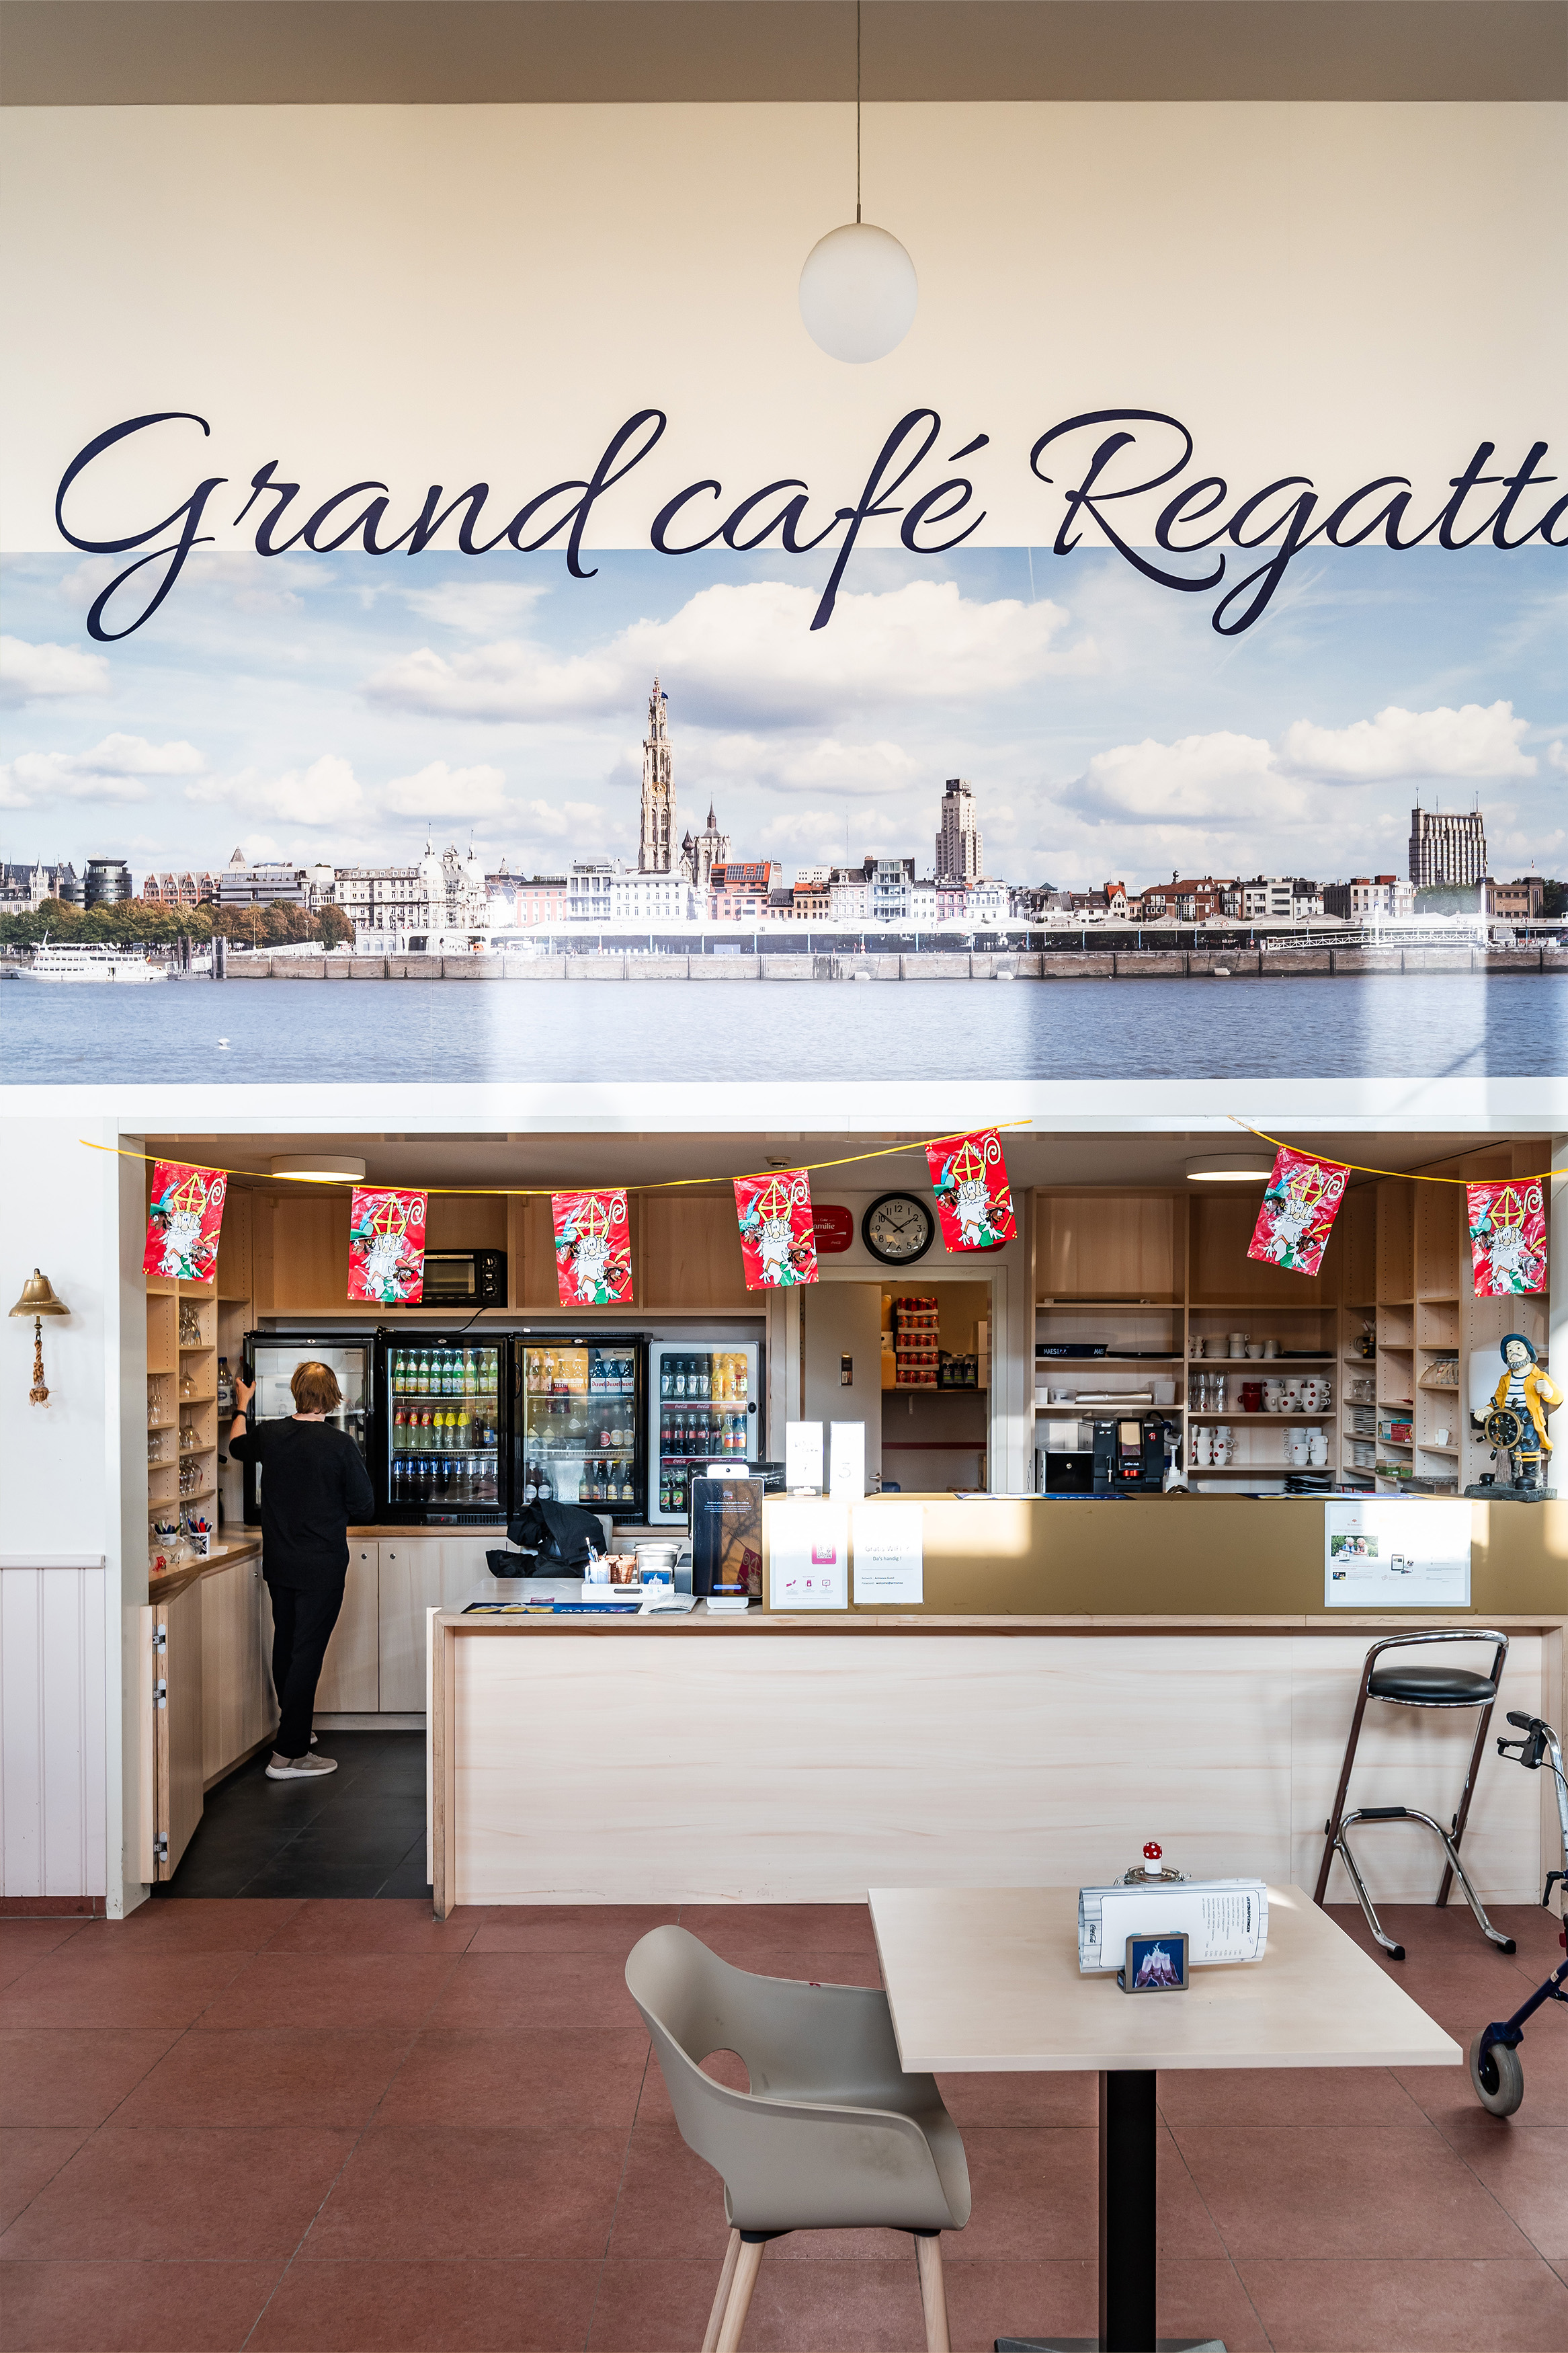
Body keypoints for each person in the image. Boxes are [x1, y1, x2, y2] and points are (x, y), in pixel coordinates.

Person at [229, 1359, 375, 1778]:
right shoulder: (340, 1444)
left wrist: (242, 1405)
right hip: (323, 1565)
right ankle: (288, 1755)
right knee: (308, 1652)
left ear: (295, 1391)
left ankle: (293, 1728)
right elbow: (364, 1507)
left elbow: (237, 1448)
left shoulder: (271, 1435)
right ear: (333, 1396)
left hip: (281, 1562)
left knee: (287, 1644)